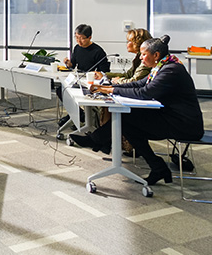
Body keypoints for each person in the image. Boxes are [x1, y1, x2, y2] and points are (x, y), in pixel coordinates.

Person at [71, 35, 204, 186]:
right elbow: (139, 84)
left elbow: (144, 92)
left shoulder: (171, 71)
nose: (141, 58)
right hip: (171, 117)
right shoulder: (163, 66)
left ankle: (96, 140)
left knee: (128, 119)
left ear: (156, 55)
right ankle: (157, 167)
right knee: (127, 120)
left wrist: (111, 90)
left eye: (143, 54)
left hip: (184, 126)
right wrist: (107, 88)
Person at [58, 24, 110, 127]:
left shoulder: (98, 51)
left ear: (89, 37)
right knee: (61, 90)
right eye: (76, 38)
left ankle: (81, 117)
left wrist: (98, 75)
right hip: (79, 78)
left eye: (82, 39)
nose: (79, 41)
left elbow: (105, 72)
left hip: (91, 82)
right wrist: (68, 63)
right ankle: (80, 115)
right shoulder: (77, 48)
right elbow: (73, 65)